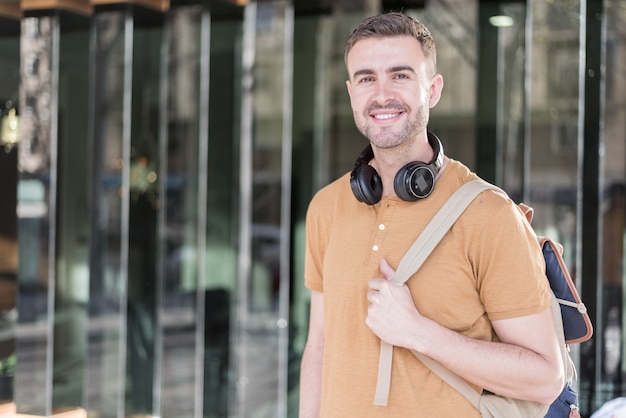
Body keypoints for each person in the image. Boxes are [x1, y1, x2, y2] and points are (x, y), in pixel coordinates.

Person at [299, 12, 565, 417]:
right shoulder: (326, 206)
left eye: (400, 75)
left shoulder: (489, 215)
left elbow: (546, 378)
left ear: (433, 90)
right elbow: (318, 345)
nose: (382, 94)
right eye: (367, 78)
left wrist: (421, 334)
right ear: (352, 92)